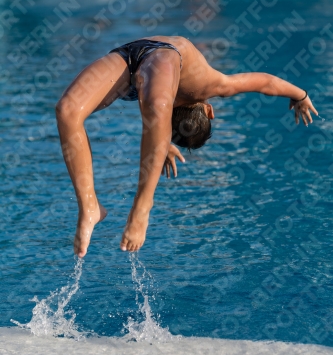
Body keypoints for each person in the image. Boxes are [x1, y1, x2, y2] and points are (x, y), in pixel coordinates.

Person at [55, 36, 318, 257]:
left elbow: (265, 83)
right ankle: (127, 209)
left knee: (68, 111)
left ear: (210, 110)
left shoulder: (210, 89)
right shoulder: (196, 89)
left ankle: (98, 205)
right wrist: (163, 142)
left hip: (129, 58)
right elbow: (159, 111)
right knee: (154, 107)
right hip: (153, 61)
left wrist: (300, 95)